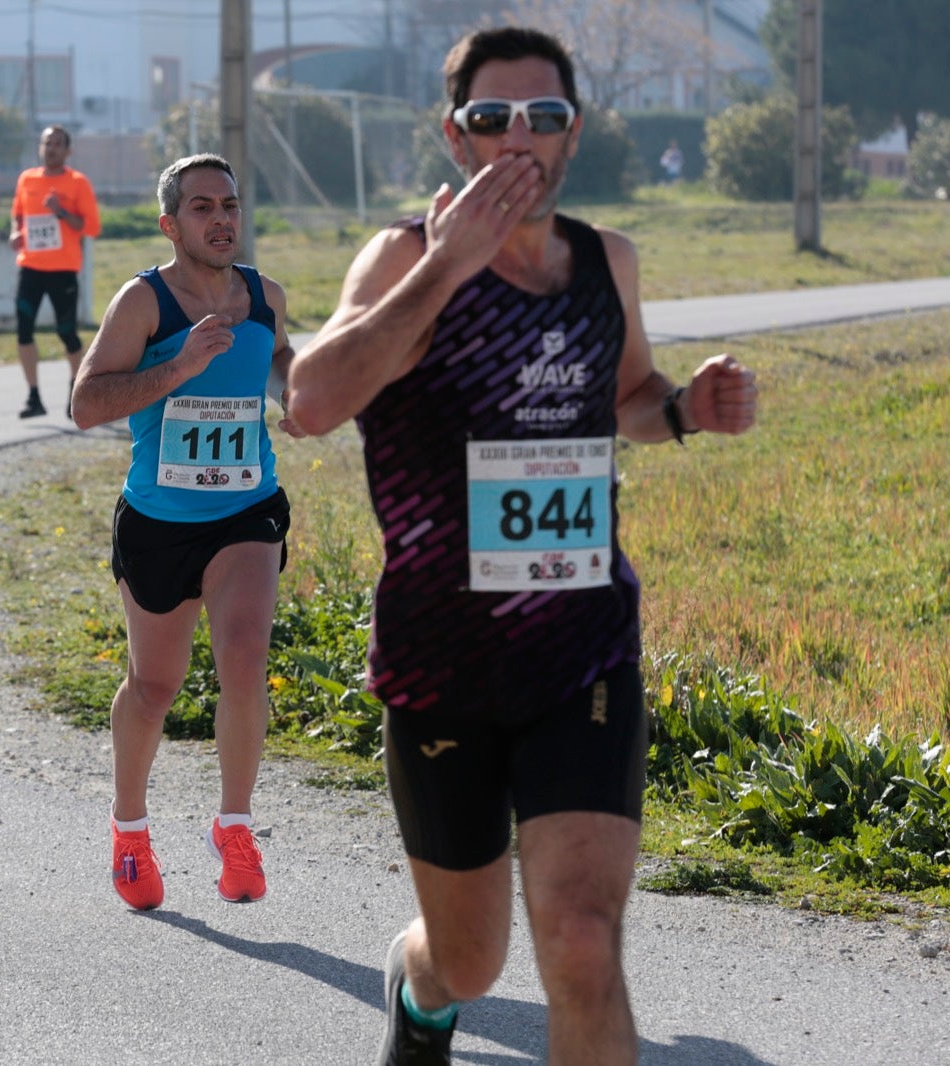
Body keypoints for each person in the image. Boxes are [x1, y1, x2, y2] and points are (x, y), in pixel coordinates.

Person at [286, 27, 758, 1066]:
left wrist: (687, 411)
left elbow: (627, 396)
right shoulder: (405, 256)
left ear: (572, 133)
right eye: (491, 119)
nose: (517, 139)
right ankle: (420, 994)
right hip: (439, 659)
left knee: (582, 945)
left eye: (542, 118)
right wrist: (450, 264)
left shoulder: (603, 261)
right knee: (470, 961)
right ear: (454, 138)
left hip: (579, 648)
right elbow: (312, 402)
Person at [70, 154, 301, 910]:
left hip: (247, 509)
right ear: (172, 225)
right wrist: (179, 367)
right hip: (160, 521)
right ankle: (129, 831)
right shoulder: (143, 303)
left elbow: (283, 367)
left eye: (230, 203)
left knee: (244, 656)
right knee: (154, 685)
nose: (221, 218)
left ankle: (234, 827)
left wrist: (298, 397)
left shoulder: (263, 296)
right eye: (202, 207)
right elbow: (85, 404)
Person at [9, 124, 102, 417]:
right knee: (23, 331)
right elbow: (18, 214)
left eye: (58, 143)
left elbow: (92, 227)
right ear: (40, 147)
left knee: (67, 334)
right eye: (47, 142)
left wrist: (59, 211)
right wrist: (15, 232)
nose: (51, 148)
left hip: (63, 269)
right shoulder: (27, 179)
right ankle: (33, 397)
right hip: (30, 267)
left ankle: (75, 393)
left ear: (68, 150)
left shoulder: (77, 182)